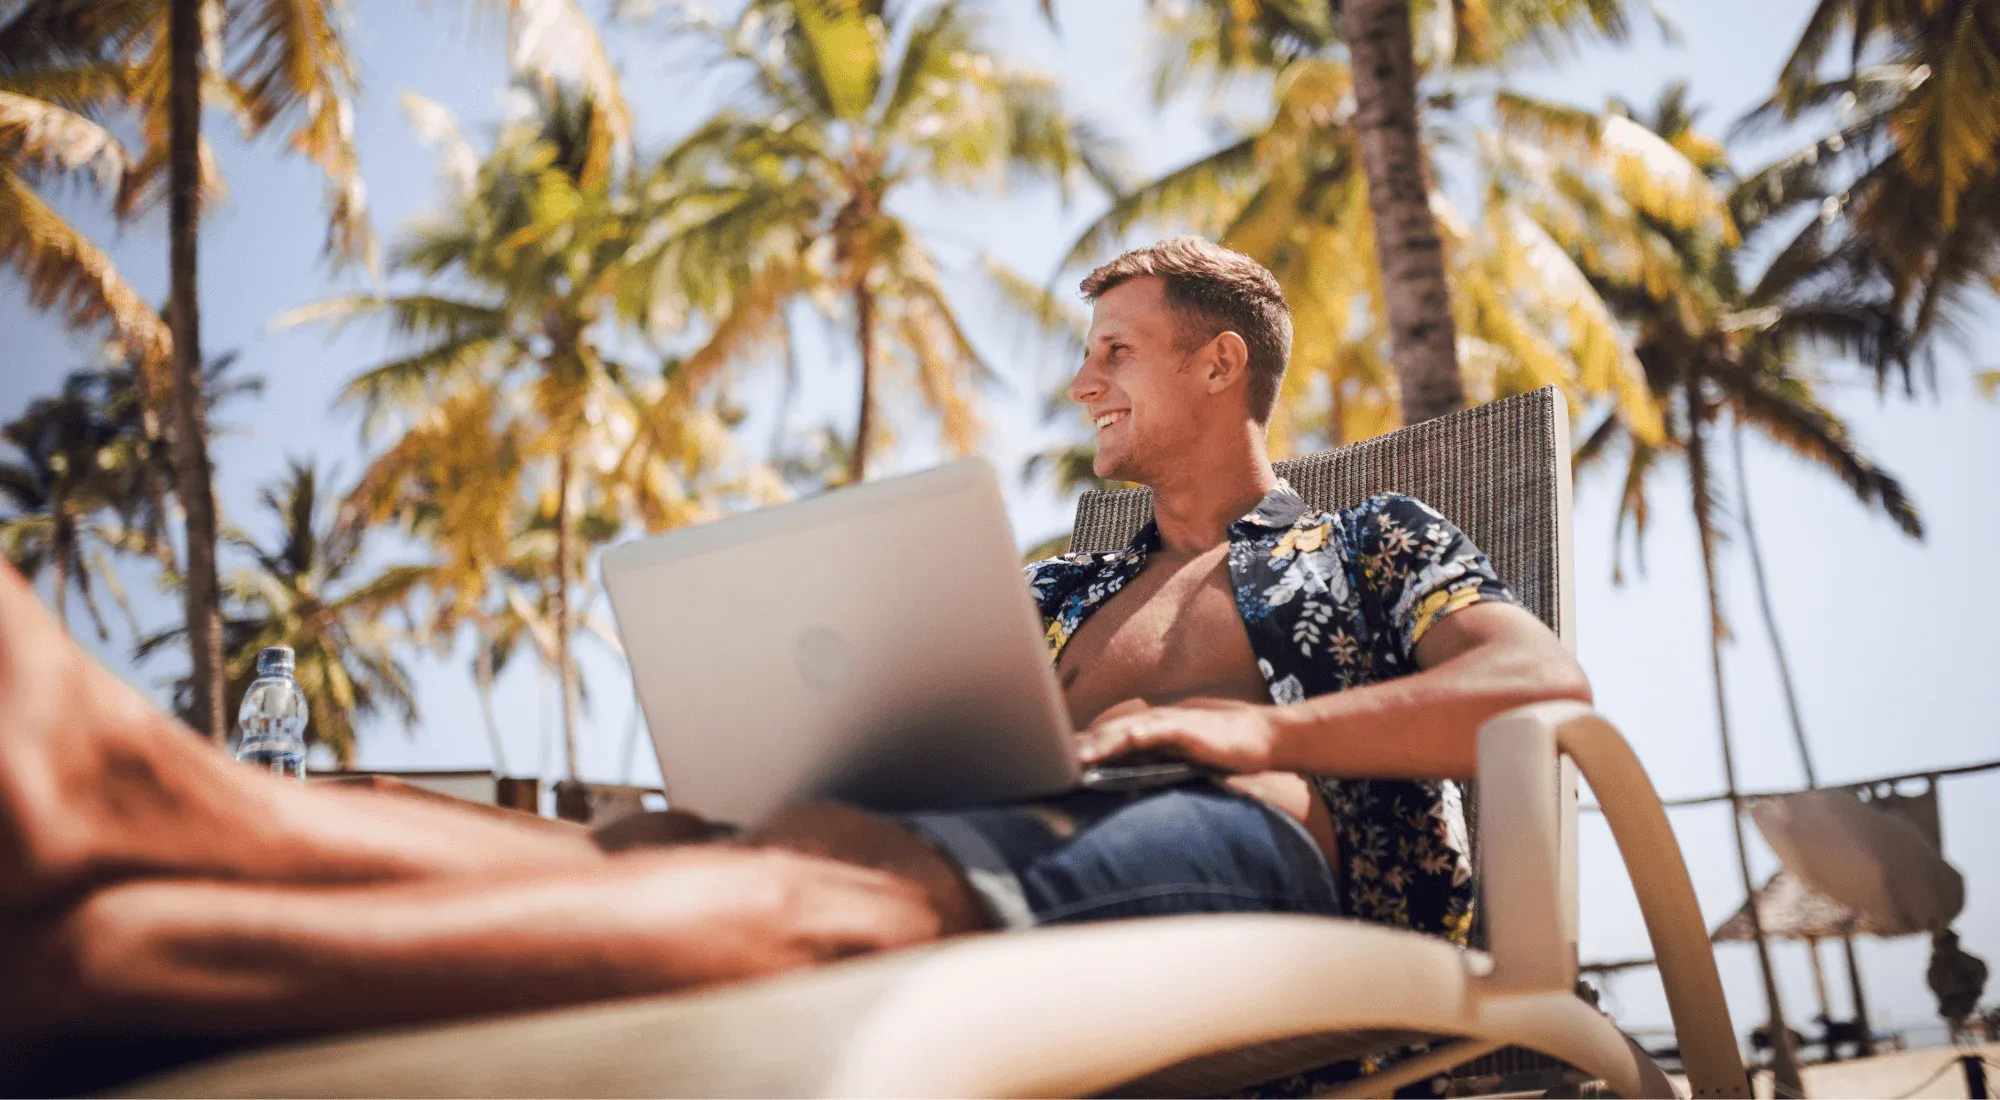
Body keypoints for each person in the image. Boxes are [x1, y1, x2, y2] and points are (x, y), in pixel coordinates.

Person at [0, 237, 1590, 1090]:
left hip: (1261, 855)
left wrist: (1236, 735)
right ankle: (150, 826)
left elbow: (1532, 692)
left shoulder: (1367, 539)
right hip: (987, 837)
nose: (1082, 376)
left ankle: (135, 934)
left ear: (1219, 360)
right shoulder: (1051, 578)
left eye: (1116, 346)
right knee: (660, 841)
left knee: (839, 880)